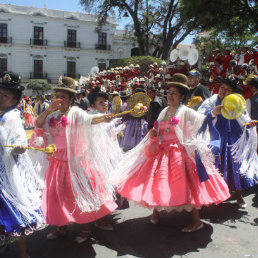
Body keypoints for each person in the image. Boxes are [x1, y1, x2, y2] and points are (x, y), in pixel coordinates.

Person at [117, 73, 230, 232]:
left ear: (182, 96)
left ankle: (196, 222)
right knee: (157, 183)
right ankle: (156, 213)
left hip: (179, 154)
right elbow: (157, 130)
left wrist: (213, 113)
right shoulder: (164, 111)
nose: (170, 96)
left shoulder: (185, 111)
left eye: (174, 93)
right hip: (162, 153)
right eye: (168, 92)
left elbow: (202, 120)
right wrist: (154, 134)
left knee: (186, 187)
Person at [32, 76, 120, 244]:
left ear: (72, 99)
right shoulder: (52, 115)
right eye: (57, 96)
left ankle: (85, 228)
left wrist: (103, 118)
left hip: (75, 163)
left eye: (63, 97)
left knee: (79, 195)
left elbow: (90, 120)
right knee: (58, 195)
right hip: (57, 161)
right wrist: (48, 110)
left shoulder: (76, 113)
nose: (59, 100)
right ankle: (61, 226)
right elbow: (38, 123)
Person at [0, 72, 44, 258]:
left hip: (7, 174)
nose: (0, 98)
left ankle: (23, 255)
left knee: (15, 215)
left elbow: (20, 144)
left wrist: (18, 148)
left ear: (14, 100)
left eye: (5, 96)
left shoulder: (12, 118)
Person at [198, 79, 258, 208]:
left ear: (232, 93)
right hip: (215, 138)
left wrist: (249, 124)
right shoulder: (211, 101)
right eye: (222, 88)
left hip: (234, 139)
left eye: (227, 90)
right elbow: (200, 117)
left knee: (235, 167)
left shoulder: (236, 102)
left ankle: (239, 196)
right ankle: (213, 195)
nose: (223, 91)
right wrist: (213, 113)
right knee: (214, 167)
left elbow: (244, 119)